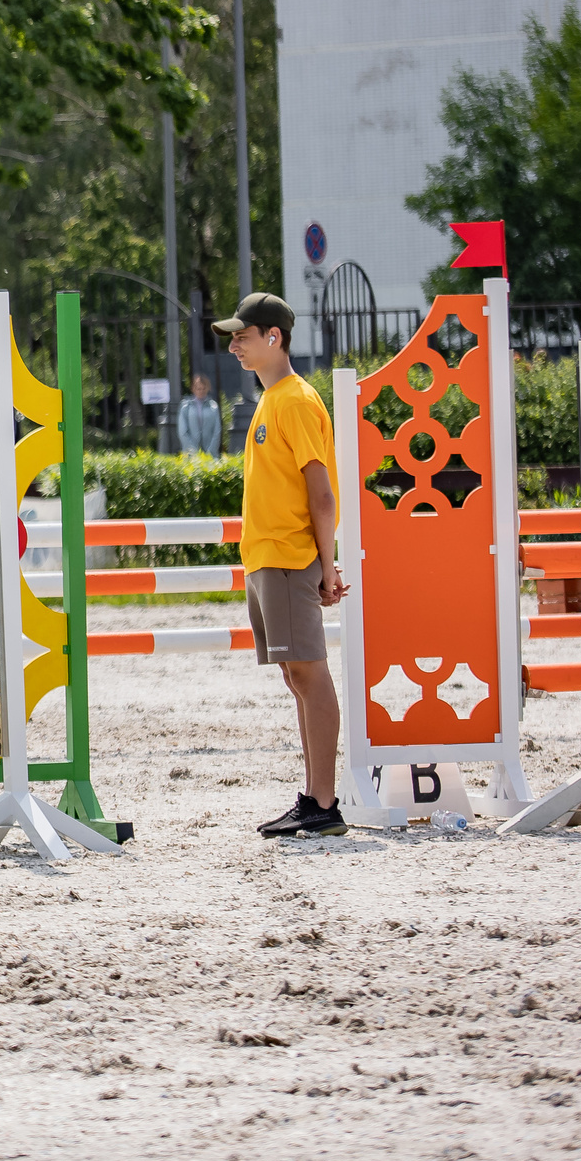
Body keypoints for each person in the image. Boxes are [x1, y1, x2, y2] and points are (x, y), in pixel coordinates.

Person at [213, 293, 348, 839]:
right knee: (298, 676)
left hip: (291, 558)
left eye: (243, 334)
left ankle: (323, 802)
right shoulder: (272, 399)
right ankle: (314, 799)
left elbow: (322, 495)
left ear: (275, 337)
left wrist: (327, 565)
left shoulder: (293, 400)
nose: (233, 344)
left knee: (310, 674)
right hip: (271, 559)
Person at [176, 371, 222, 457]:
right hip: (190, 454)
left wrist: (210, 451)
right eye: (198, 388)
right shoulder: (186, 406)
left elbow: (217, 431)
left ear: (208, 388)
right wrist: (193, 451)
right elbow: (182, 431)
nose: (201, 391)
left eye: (204, 388)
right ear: (193, 389)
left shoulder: (213, 406)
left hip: (210, 453)